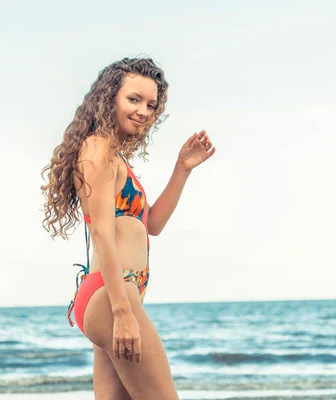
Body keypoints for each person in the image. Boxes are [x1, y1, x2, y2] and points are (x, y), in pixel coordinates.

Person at [40, 57, 216, 399]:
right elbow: (102, 233)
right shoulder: (99, 148)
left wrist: (182, 168)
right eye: (133, 99)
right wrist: (122, 312)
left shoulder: (115, 157)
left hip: (111, 293)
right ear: (109, 99)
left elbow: (153, 224)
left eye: (151, 105)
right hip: (113, 293)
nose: (144, 111)